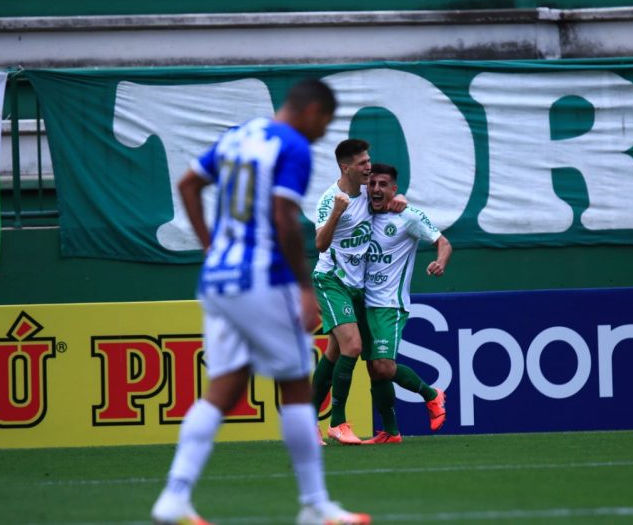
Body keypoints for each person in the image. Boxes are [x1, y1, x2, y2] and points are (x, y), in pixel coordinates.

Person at [150, 79, 371, 525]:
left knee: (224, 389)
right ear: (311, 111)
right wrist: (305, 289)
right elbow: (282, 218)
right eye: (323, 124)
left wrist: (211, 246)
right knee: (293, 387)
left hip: (219, 279)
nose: (320, 134)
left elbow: (189, 184)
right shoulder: (292, 147)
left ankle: (174, 496)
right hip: (262, 280)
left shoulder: (239, 135)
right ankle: (315, 505)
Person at [310, 139, 405, 445]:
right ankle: (337, 423)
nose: (369, 167)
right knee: (352, 346)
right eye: (363, 163)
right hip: (330, 280)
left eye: (368, 160)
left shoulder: (366, 192)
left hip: (357, 287)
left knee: (334, 353)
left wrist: (399, 200)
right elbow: (320, 245)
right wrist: (338, 212)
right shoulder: (330, 200)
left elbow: (387, 200)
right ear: (345, 167)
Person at [360, 163, 452, 444]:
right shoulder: (360, 212)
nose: (376, 189)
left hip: (389, 305)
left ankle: (431, 394)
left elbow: (444, 242)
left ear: (394, 189)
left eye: (383, 184)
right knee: (374, 370)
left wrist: (440, 261)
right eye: (372, 183)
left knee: (385, 367)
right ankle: (390, 431)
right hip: (362, 303)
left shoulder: (408, 217)